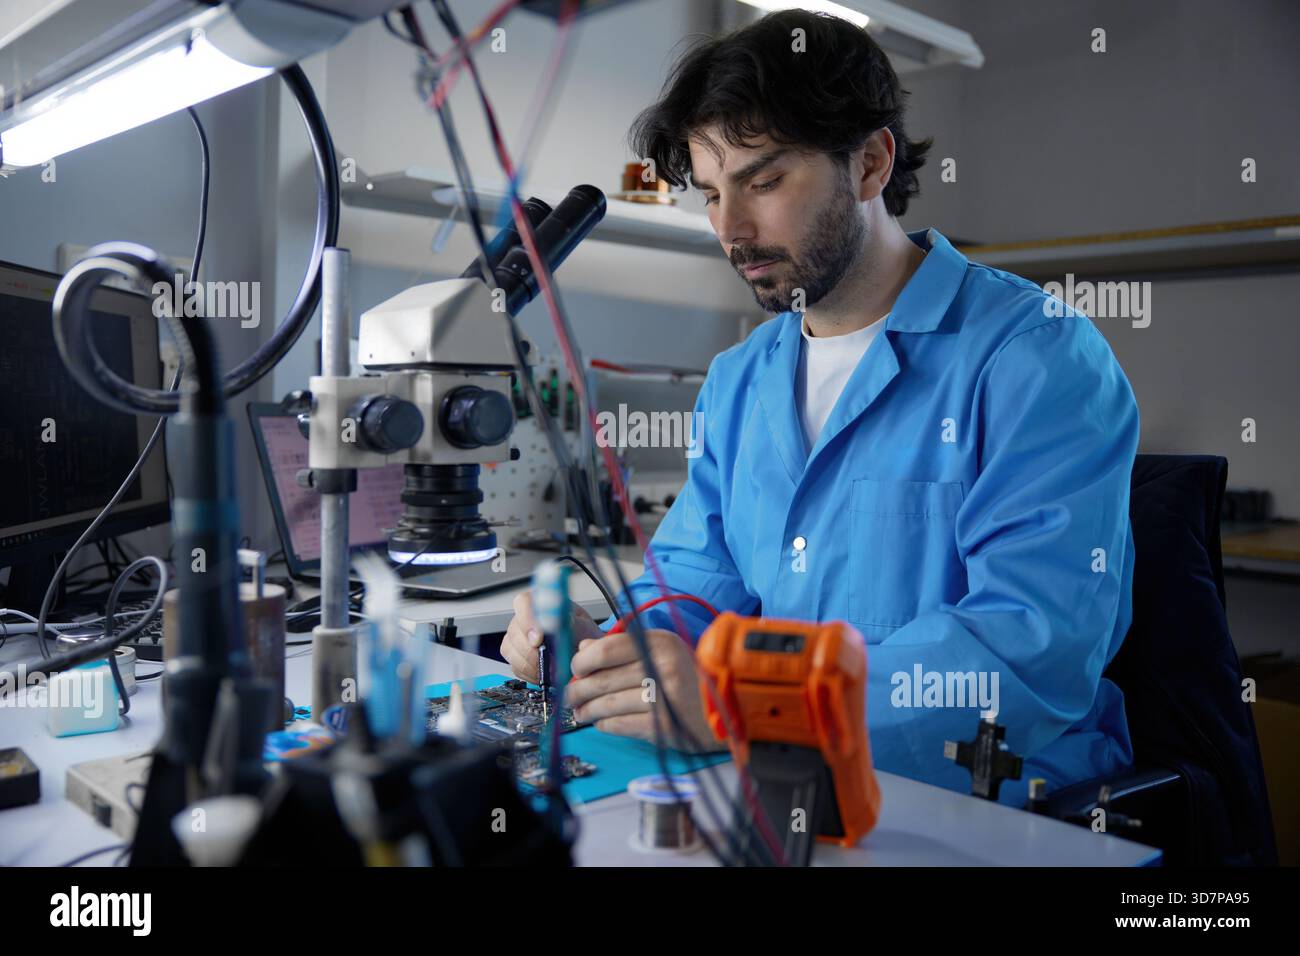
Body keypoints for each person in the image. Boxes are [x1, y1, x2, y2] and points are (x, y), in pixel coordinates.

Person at [503, 9, 1139, 806]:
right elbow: (699, 586)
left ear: (871, 164)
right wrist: (607, 650)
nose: (731, 230)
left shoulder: (1036, 358)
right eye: (711, 195)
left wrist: (751, 706)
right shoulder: (741, 379)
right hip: (786, 781)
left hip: (988, 801)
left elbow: (1024, 651)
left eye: (764, 181)